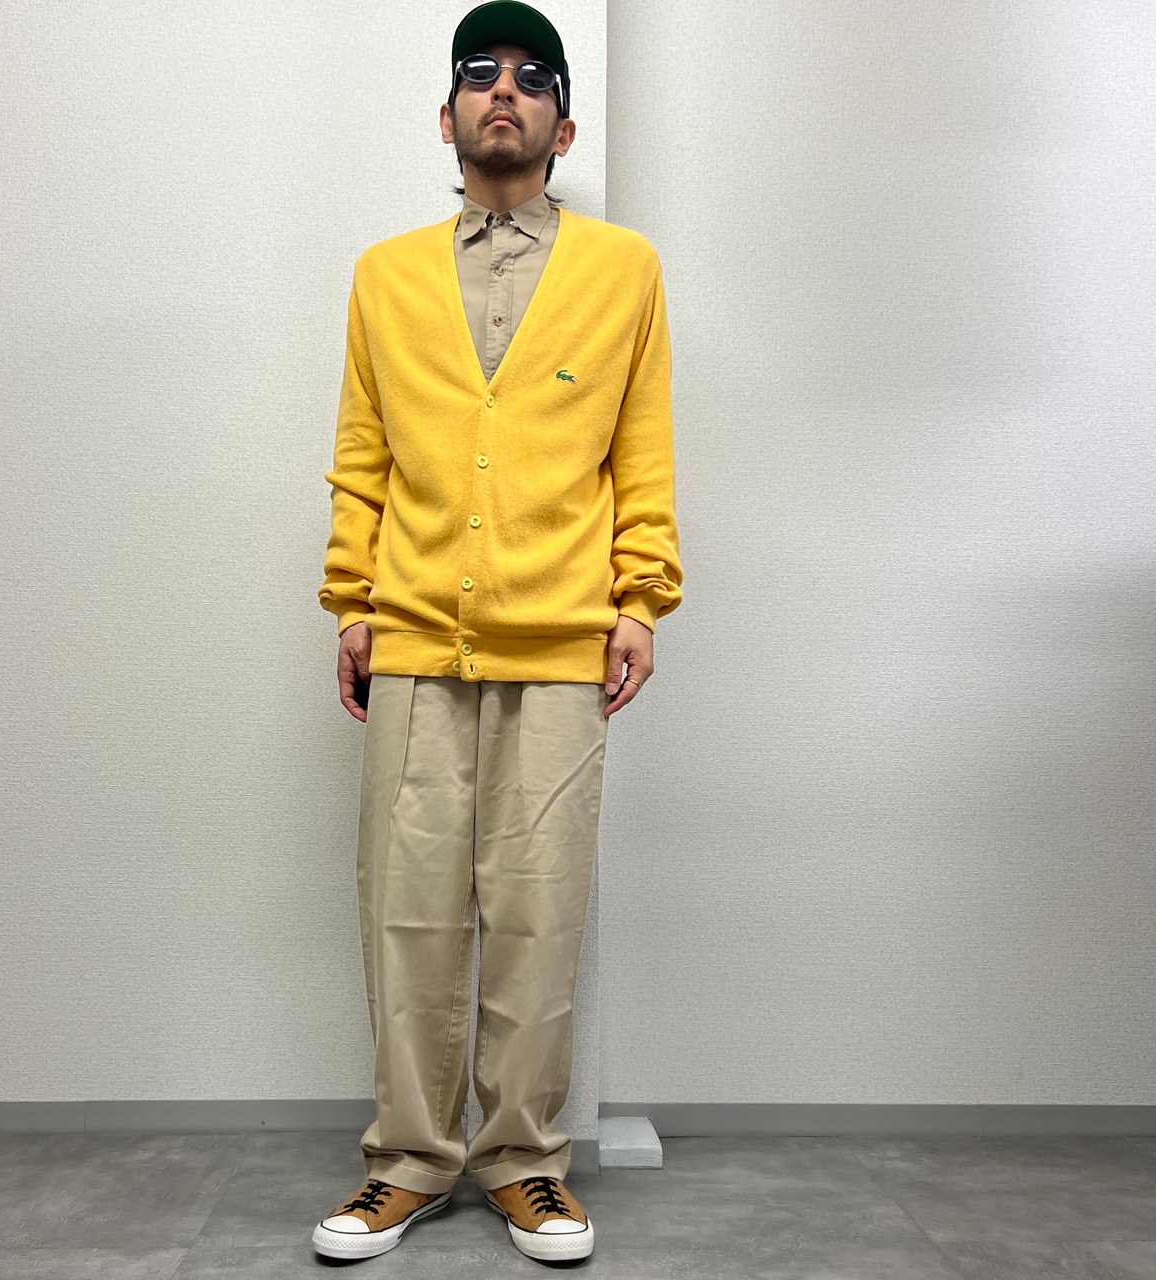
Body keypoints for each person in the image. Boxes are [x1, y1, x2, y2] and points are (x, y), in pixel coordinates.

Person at [312, 0, 683, 1263]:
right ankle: (407, 1161)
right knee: (408, 909)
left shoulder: (622, 270)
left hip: (560, 639)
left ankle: (524, 1161)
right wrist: (353, 602)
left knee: (537, 911)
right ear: (448, 116)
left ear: (562, 126)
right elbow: (361, 454)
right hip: (414, 635)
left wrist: (639, 598)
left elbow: (641, 447)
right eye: (481, 74)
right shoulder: (384, 274)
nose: (504, 92)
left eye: (532, 78)